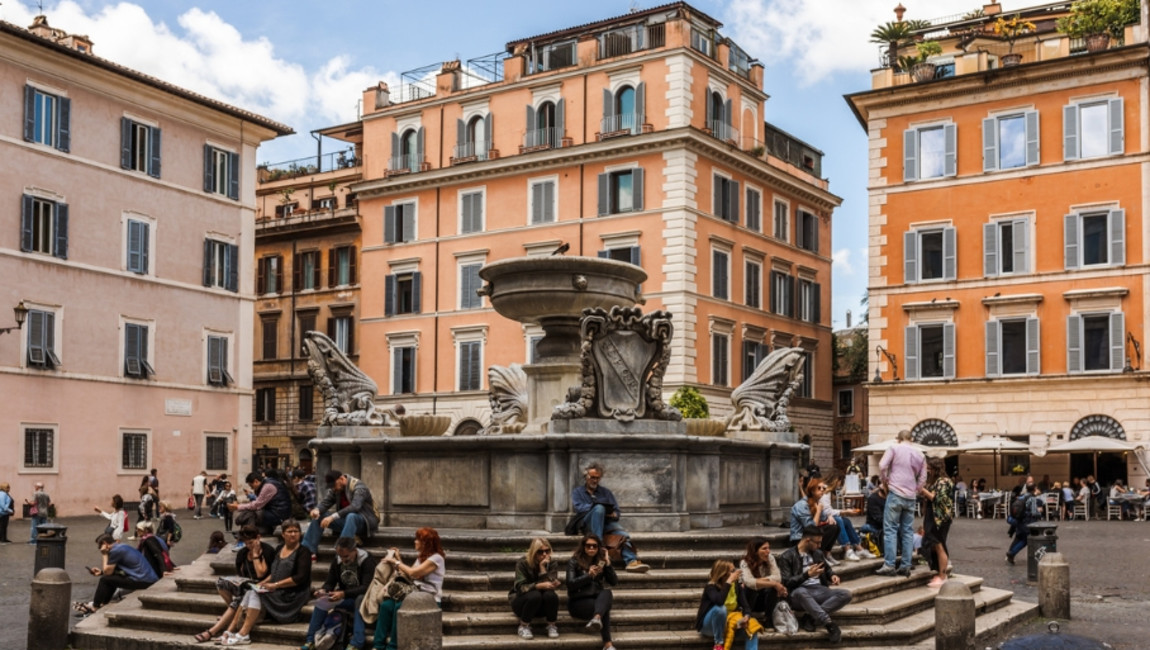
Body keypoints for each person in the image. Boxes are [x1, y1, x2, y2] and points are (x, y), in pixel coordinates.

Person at [218, 519, 312, 646]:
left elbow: (299, 578)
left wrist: (275, 585)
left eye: (296, 531)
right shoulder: (279, 548)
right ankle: (231, 631)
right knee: (252, 591)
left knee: (255, 594)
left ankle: (244, 633)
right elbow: (274, 572)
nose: (293, 534)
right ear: (283, 534)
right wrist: (262, 583)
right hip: (278, 589)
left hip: (292, 595)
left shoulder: (303, 552)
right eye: (289, 531)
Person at [192, 525, 275, 643]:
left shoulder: (268, 551)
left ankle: (212, 631)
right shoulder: (242, 553)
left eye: (251, 542)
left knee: (240, 599)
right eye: (246, 543)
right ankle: (234, 612)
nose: (248, 546)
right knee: (221, 583)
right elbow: (240, 574)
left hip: (263, 587)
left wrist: (256, 555)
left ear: (258, 538)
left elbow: (263, 574)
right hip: (247, 585)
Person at [567, 462, 649, 572]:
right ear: (586, 477)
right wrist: (597, 507)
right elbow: (579, 508)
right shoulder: (578, 492)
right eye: (592, 477)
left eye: (597, 478)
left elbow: (617, 511)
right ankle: (600, 548)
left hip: (606, 522)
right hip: (587, 521)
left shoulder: (606, 492)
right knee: (599, 508)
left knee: (623, 535)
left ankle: (632, 561)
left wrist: (613, 513)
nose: (595, 480)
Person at [301, 536, 379, 650]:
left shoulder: (367, 561)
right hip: (344, 597)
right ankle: (310, 640)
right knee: (321, 602)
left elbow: (366, 587)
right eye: (340, 556)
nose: (343, 560)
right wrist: (324, 590)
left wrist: (343, 594)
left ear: (355, 550)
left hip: (363, 599)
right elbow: (330, 582)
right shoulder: (337, 561)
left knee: (359, 599)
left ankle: (356, 643)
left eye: (346, 556)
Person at [374, 527, 446, 650]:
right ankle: (378, 645)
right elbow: (409, 575)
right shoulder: (421, 557)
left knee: (400, 606)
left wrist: (396, 563)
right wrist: (398, 559)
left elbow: (413, 573)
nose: (415, 542)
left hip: (429, 598)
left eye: (417, 539)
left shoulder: (436, 558)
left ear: (425, 542)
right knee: (386, 606)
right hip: (413, 593)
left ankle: (393, 646)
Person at [779, 526, 850, 644]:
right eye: (817, 542)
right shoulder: (787, 556)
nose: (819, 546)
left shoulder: (817, 553)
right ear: (807, 540)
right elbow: (787, 582)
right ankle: (829, 624)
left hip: (818, 589)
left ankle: (811, 617)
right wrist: (807, 575)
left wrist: (832, 575)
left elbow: (827, 569)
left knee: (846, 594)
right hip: (798, 592)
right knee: (801, 592)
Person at [875, 429, 926, 577]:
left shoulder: (894, 448)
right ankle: (905, 565)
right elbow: (923, 478)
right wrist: (916, 490)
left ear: (898, 439)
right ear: (912, 439)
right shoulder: (920, 454)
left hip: (896, 492)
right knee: (907, 531)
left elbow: (882, 465)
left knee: (890, 529)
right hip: (910, 496)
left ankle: (889, 565)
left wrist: (885, 479)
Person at [73, 533, 159, 616]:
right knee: (110, 579)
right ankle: (103, 603)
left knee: (104, 580)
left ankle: (95, 606)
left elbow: (108, 572)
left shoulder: (115, 551)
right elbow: (112, 571)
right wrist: (101, 572)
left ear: (105, 544)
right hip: (148, 579)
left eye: (99, 546)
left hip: (143, 580)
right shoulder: (121, 547)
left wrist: (104, 554)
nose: (99, 549)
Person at [302, 470, 380, 555]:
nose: (333, 488)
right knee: (321, 515)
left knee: (351, 516)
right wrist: (317, 510)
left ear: (342, 479)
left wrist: (332, 517)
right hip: (346, 521)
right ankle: (307, 550)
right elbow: (325, 503)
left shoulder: (359, 487)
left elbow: (355, 507)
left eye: (334, 485)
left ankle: (342, 552)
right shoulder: (336, 490)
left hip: (365, 522)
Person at [565, 534, 617, 650]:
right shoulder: (574, 562)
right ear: (583, 547)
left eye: (594, 546)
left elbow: (614, 582)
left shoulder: (601, 562)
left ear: (598, 548)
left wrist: (608, 564)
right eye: (588, 546)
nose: (591, 549)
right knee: (604, 609)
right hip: (578, 602)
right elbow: (570, 584)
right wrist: (588, 576)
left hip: (596, 600)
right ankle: (607, 644)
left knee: (607, 593)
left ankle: (597, 618)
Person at [696, 559, 760, 650]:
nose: (735, 573)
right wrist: (729, 581)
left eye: (734, 570)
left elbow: (746, 606)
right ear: (723, 573)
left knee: (753, 628)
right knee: (721, 609)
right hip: (710, 626)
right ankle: (718, 644)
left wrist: (746, 616)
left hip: (729, 623)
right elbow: (719, 601)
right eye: (732, 571)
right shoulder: (711, 586)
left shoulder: (736, 586)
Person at [509, 537, 561, 640]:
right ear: (534, 552)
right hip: (522, 603)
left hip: (542, 606)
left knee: (551, 595)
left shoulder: (552, 563)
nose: (545, 554)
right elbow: (519, 587)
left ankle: (551, 625)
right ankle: (523, 626)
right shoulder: (523, 563)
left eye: (547, 551)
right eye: (540, 552)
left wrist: (542, 569)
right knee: (535, 595)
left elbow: (549, 585)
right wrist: (537, 586)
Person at [819, 474, 873, 562]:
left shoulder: (828, 491)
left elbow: (828, 510)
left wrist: (844, 512)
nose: (840, 484)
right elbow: (827, 511)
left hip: (825, 515)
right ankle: (847, 549)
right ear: (836, 480)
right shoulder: (825, 491)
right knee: (839, 520)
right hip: (820, 517)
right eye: (840, 481)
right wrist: (845, 511)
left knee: (846, 521)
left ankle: (859, 548)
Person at [918, 457, 954, 589]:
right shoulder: (938, 481)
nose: (928, 471)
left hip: (939, 519)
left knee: (939, 545)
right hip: (934, 517)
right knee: (935, 545)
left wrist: (922, 489)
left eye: (929, 469)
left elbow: (936, 498)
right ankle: (940, 572)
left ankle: (943, 575)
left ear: (935, 469)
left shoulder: (944, 481)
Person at [789, 478, 840, 559]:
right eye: (819, 488)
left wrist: (829, 516)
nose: (822, 490)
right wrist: (819, 511)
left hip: (810, 536)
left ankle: (825, 554)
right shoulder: (802, 505)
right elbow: (810, 528)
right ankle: (817, 557)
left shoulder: (817, 503)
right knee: (830, 529)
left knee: (835, 527)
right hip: (800, 538)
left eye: (824, 488)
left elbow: (824, 518)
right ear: (812, 490)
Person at [739, 536, 786, 621]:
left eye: (768, 548)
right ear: (755, 551)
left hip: (764, 598)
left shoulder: (770, 558)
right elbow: (749, 583)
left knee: (773, 589)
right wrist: (774, 583)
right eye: (764, 549)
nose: (768, 551)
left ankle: (769, 620)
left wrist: (759, 581)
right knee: (751, 588)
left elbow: (778, 577)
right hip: (749, 600)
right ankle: (747, 616)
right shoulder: (744, 562)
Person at [1006, 484, 1043, 565]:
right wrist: (1040, 514)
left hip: (1019, 520)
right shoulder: (1032, 498)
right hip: (1027, 522)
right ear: (1033, 490)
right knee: (1025, 540)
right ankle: (1011, 553)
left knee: (1018, 537)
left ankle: (1011, 553)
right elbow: (1034, 512)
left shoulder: (1022, 496)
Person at [859, 483, 887, 555]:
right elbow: (877, 518)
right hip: (875, 526)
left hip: (886, 525)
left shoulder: (890, 499)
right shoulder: (873, 499)